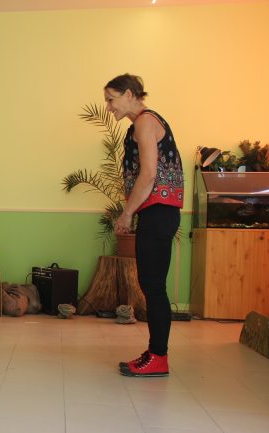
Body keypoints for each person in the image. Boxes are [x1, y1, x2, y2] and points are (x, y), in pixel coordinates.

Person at [106, 74, 183, 378]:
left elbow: (149, 174)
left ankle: (159, 357)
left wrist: (126, 214)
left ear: (128, 94)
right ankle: (155, 353)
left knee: (153, 286)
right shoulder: (144, 123)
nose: (109, 107)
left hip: (158, 213)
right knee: (152, 285)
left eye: (111, 99)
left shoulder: (145, 122)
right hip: (157, 213)